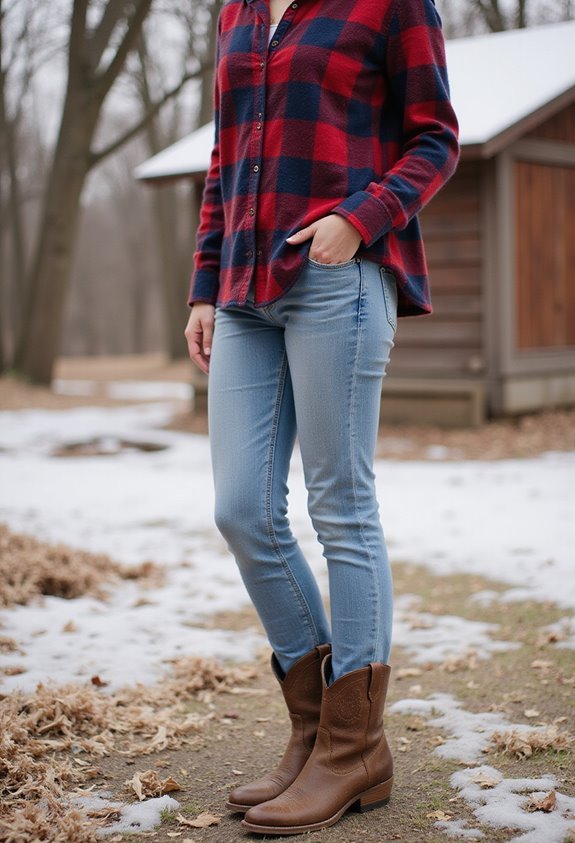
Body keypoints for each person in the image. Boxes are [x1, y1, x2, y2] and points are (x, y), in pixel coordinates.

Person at [184, 0, 459, 834]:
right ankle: (312, 730)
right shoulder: (236, 9)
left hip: (337, 279)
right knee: (241, 509)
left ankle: (352, 747)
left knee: (340, 504)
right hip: (241, 292)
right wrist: (203, 284)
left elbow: (436, 139)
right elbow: (225, 157)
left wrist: (358, 217)